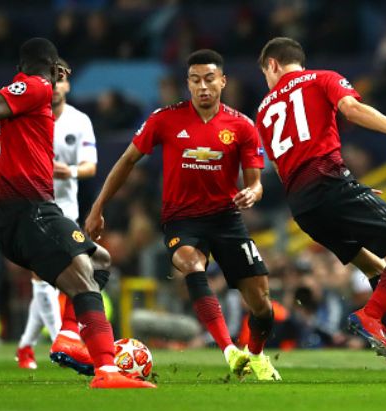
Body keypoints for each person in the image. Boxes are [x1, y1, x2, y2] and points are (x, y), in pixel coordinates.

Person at [0, 38, 153, 389]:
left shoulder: (24, 100)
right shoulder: (37, 87)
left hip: (20, 214)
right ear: (55, 70)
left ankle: (70, 335)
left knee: (98, 260)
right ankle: (106, 370)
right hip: (31, 211)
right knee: (87, 278)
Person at [254, 37, 386, 368]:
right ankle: (370, 315)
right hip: (331, 186)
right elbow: (351, 110)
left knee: (377, 270)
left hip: (302, 206)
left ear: (272, 65)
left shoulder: (264, 110)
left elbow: (288, 166)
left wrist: (350, 188)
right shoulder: (321, 78)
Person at [85, 49, 281, 381]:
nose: (202, 87)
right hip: (182, 220)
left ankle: (257, 355)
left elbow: (256, 183)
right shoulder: (165, 119)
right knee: (192, 264)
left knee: (262, 304)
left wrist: (252, 192)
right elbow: (127, 161)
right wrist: (98, 207)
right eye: (195, 80)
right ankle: (229, 350)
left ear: (222, 81)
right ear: (187, 84)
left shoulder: (242, 126)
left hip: (227, 219)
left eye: (209, 79)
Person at [14, 57, 99, 370]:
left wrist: (71, 171)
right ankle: (60, 344)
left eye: (60, 79)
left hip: (66, 209)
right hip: (32, 206)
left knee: (53, 279)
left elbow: (91, 166)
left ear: (67, 85)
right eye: (50, 79)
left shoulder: (79, 121)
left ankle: (26, 345)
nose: (55, 85)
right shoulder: (28, 117)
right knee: (43, 276)